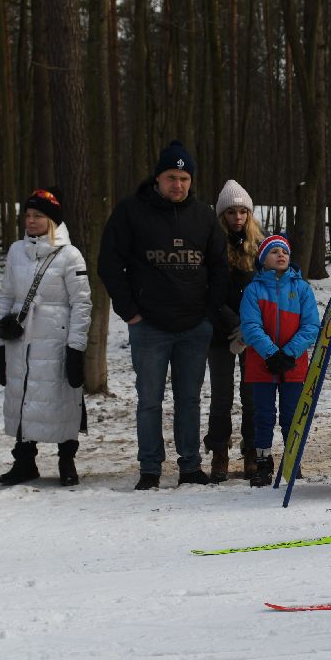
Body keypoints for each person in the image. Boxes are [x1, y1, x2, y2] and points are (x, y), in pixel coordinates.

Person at [98, 141, 231, 490]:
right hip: (149, 327)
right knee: (149, 400)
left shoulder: (203, 215)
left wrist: (209, 312)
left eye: (185, 178)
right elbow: (110, 263)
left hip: (194, 326)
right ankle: (150, 469)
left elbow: (220, 267)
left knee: (188, 399)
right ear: (158, 178)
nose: (178, 185)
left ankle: (190, 466)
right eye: (172, 177)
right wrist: (129, 310)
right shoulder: (131, 212)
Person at [0, 189, 90, 487]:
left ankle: (66, 459)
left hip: (56, 340)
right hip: (21, 339)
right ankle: (24, 461)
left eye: (39, 216)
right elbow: (7, 295)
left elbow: (82, 303)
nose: (31, 221)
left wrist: (76, 347)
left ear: (52, 221)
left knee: (61, 398)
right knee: (21, 396)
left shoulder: (70, 255)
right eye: (29, 215)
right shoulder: (15, 251)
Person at [239, 234, 319, 487]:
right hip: (262, 364)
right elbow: (250, 326)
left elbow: (311, 326)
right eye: (273, 252)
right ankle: (262, 462)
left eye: (283, 251)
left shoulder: (302, 288)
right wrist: (272, 353)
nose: (280, 255)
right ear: (263, 259)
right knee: (262, 415)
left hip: (293, 366)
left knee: (292, 415)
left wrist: (288, 353)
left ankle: (292, 460)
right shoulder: (253, 289)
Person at [207, 180, 264, 481]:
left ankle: (252, 449)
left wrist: (250, 327)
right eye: (231, 212)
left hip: (253, 334)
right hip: (221, 331)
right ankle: (219, 451)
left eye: (243, 211)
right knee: (221, 395)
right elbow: (210, 294)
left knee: (251, 393)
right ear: (222, 215)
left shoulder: (259, 248)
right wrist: (233, 324)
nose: (238, 217)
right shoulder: (212, 246)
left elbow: (267, 291)